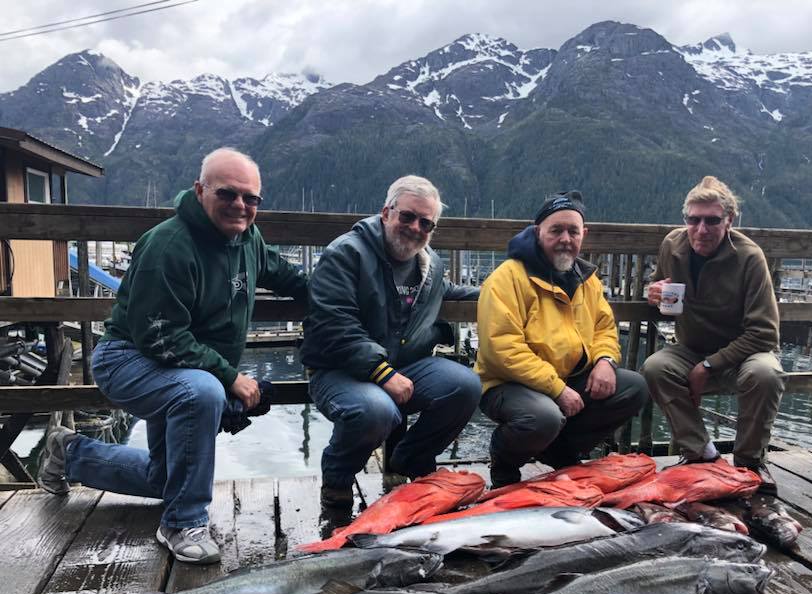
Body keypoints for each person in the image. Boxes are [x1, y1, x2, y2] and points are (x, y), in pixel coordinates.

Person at [37, 148, 308, 564]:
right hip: (129, 359)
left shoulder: (246, 238)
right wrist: (229, 378)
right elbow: (162, 338)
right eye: (228, 193)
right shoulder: (168, 246)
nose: (240, 205)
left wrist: (343, 299)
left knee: (166, 477)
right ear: (200, 191)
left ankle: (69, 453)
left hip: (182, 368)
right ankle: (182, 522)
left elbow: (287, 276)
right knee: (202, 394)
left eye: (251, 198)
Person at [300, 175, 481, 506]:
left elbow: (447, 292)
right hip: (339, 372)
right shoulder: (345, 254)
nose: (415, 227)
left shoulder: (430, 263)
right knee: (376, 410)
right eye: (408, 216)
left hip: (404, 367)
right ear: (386, 212)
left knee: (465, 386)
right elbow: (335, 325)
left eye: (426, 223)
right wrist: (383, 373)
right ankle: (337, 480)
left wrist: (501, 294)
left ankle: (410, 459)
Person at [475, 191, 649, 487]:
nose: (565, 238)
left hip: (568, 379)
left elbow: (604, 326)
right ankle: (504, 458)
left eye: (573, 230)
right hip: (508, 385)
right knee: (543, 417)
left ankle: (557, 450)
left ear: (585, 234)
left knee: (634, 388)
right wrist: (557, 390)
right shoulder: (507, 278)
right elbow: (501, 348)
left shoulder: (586, 278)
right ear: (538, 231)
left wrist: (605, 360)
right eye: (556, 230)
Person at [643, 175, 784, 488]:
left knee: (766, 375)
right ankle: (700, 455)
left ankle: (750, 463)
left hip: (745, 353)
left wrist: (708, 367)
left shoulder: (750, 257)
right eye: (693, 220)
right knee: (655, 367)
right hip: (691, 347)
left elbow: (765, 333)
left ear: (729, 221)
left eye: (711, 221)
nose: (701, 230)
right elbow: (660, 293)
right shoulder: (672, 245)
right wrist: (651, 294)